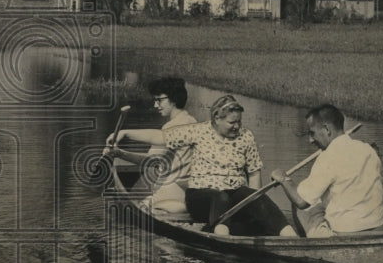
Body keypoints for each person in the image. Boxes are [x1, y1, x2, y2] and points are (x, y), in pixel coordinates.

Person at [109, 93, 293, 236]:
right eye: (232, 122)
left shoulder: (246, 136)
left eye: (239, 121)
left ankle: (289, 237)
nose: (237, 126)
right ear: (216, 119)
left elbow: (253, 172)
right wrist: (125, 133)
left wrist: (253, 204)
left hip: (234, 198)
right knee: (220, 197)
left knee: (254, 196)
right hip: (201, 197)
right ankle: (222, 237)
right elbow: (161, 137)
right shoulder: (199, 132)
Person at [270, 104, 383, 237]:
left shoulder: (328, 156)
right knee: (320, 200)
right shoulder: (368, 150)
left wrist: (283, 178)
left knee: (299, 203)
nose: (311, 140)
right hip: (377, 231)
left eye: (312, 133)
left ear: (326, 129)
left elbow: (301, 201)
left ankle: (307, 247)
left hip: (343, 235)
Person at [105, 77, 196, 213]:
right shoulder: (192, 121)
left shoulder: (171, 127)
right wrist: (119, 153)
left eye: (159, 100)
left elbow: (149, 161)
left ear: (174, 99)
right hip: (187, 190)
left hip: (170, 190)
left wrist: (119, 153)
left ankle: (165, 206)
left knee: (131, 211)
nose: (155, 105)